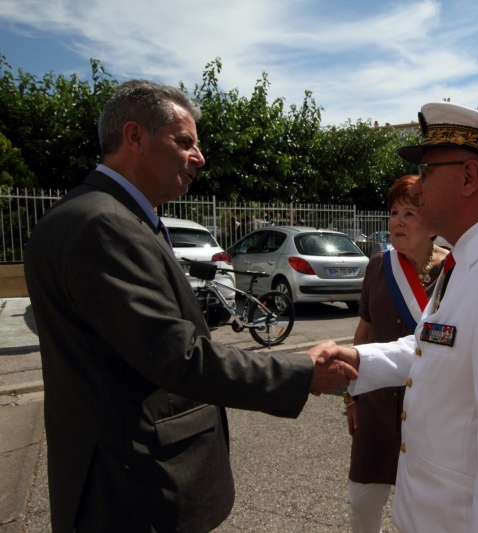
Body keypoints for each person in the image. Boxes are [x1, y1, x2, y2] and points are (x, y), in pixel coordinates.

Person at [23, 80, 356, 533]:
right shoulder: (104, 224)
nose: (199, 157)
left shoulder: (107, 214)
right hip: (132, 488)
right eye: (184, 142)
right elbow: (176, 354)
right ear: (134, 137)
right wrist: (299, 373)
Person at [310, 101, 478, 532]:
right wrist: (359, 361)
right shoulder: (470, 261)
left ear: (469, 177)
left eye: (428, 172)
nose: (416, 190)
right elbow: (432, 347)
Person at [345, 175, 449, 533]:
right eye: (393, 212)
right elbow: (364, 334)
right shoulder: (378, 266)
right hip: (375, 406)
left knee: (421, 514)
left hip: (428, 412)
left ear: (432, 222)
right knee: (361, 503)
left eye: (409, 212)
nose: (397, 222)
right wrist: (350, 398)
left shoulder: (452, 271)